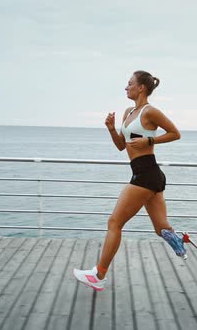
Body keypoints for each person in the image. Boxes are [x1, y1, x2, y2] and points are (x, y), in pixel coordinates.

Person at [73, 70, 186, 291]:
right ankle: (183, 243)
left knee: (114, 223)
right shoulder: (129, 112)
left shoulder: (150, 111)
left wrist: (149, 140)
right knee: (161, 228)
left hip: (145, 175)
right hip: (148, 175)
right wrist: (111, 128)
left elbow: (175, 133)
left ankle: (99, 274)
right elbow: (121, 146)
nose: (126, 87)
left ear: (141, 87)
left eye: (129, 84)